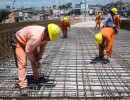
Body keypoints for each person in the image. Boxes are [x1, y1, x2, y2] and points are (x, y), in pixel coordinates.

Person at [12, 23, 60, 96]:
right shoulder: (36, 38)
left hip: (29, 41)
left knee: (36, 59)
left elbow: (43, 45)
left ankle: (37, 77)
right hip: (19, 41)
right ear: (46, 33)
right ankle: (23, 86)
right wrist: (34, 61)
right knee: (23, 63)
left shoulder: (46, 34)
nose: (50, 40)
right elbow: (28, 51)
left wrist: (40, 55)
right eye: (49, 38)